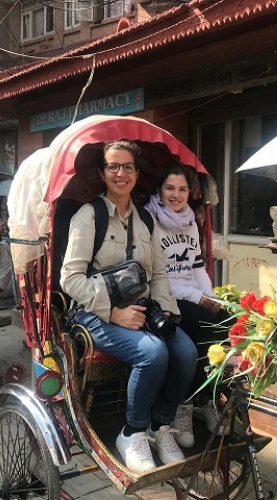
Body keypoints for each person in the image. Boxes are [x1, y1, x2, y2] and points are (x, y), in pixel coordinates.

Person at [60, 140, 198, 473]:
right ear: (103, 172)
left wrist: (165, 310)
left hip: (142, 309)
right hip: (94, 314)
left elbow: (160, 273)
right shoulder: (89, 216)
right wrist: (114, 312)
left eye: (128, 167)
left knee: (187, 353)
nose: (121, 173)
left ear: (136, 173)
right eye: (113, 166)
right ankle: (132, 431)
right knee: (153, 353)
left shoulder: (146, 221)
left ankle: (160, 425)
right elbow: (70, 279)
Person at [146, 164, 229, 449]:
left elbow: (197, 267)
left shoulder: (190, 221)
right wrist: (197, 299)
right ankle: (184, 404)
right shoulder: (149, 219)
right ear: (159, 190)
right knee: (203, 327)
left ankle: (207, 399)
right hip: (164, 296)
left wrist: (211, 297)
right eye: (169, 188)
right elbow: (158, 274)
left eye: (182, 189)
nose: (176, 194)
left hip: (191, 292)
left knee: (229, 325)